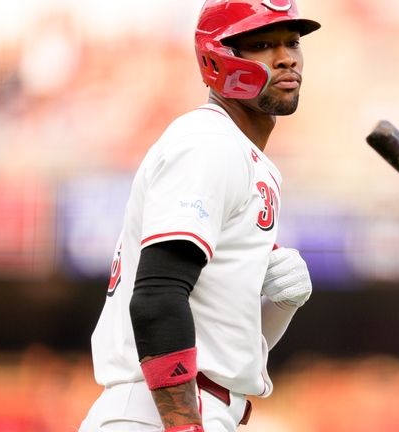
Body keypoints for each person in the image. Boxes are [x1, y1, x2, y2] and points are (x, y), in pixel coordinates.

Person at [78, 1, 320, 431]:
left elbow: (225, 346)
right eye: (262, 44)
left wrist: (278, 305)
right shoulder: (207, 142)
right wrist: (185, 426)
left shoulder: (242, 155)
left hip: (191, 410)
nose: (286, 57)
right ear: (219, 57)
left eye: (292, 42)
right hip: (156, 414)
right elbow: (158, 296)